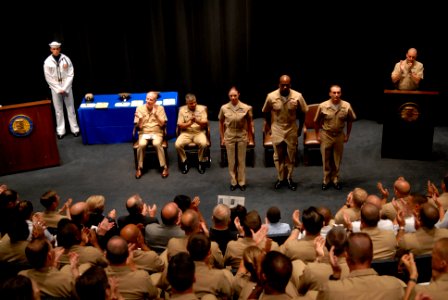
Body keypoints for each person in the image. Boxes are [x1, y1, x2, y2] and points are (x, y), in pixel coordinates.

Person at [262, 75, 308, 191]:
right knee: (278, 155)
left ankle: (289, 178)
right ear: (279, 85)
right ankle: (280, 178)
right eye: (283, 85)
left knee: (291, 155)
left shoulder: (297, 96)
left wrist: (300, 128)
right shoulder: (271, 96)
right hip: (277, 128)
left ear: (290, 85)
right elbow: (266, 111)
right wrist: (270, 126)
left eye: (287, 84)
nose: (285, 87)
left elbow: (303, 113)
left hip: (291, 128)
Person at [314, 85, 356, 191]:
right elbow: (316, 121)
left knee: (337, 159)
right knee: (326, 158)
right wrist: (317, 134)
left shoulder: (346, 106)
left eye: (338, 92)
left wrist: (348, 134)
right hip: (326, 135)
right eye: (334, 92)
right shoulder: (323, 106)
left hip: (339, 135)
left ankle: (335, 179)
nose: (336, 95)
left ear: (341, 94)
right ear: (330, 93)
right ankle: (326, 179)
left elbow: (350, 120)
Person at [218, 86, 254, 191]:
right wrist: (222, 137)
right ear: (228, 96)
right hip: (229, 135)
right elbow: (220, 123)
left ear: (238, 94)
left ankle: (242, 182)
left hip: (242, 135)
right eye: (231, 96)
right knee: (232, 161)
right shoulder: (224, 108)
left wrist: (250, 137)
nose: (233, 97)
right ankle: (234, 181)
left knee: (241, 160)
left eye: (235, 95)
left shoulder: (246, 107)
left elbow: (250, 123)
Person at [43, 41, 80, 139]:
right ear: (51, 49)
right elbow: (48, 77)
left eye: (57, 49)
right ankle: (60, 130)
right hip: (55, 88)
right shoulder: (47, 61)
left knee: (70, 108)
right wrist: (58, 88)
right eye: (53, 49)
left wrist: (65, 87)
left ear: (60, 49)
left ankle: (75, 129)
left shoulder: (66, 59)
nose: (55, 50)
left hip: (66, 86)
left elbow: (70, 73)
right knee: (58, 110)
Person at [134, 91, 169, 179]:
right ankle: (139, 168)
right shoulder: (139, 108)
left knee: (157, 144)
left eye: (151, 100)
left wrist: (156, 114)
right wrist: (141, 119)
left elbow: (162, 125)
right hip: (144, 132)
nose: (148, 101)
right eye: (147, 99)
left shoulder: (160, 108)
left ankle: (164, 167)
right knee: (141, 144)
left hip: (157, 132)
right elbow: (139, 127)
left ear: (155, 101)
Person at [175, 93, 209, 174]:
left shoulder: (201, 109)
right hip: (186, 132)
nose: (193, 104)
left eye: (195, 102)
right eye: (191, 103)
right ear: (187, 103)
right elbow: (180, 125)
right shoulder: (182, 110)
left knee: (204, 143)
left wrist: (196, 121)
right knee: (177, 144)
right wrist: (190, 123)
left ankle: (201, 162)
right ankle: (184, 162)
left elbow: (205, 123)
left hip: (198, 132)